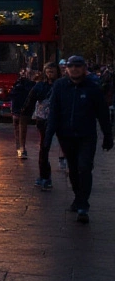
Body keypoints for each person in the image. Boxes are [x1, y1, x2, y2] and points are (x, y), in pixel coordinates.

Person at [47, 55, 114, 223]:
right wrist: (47, 138)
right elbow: (54, 113)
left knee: (84, 167)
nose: (75, 69)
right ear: (66, 69)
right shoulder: (59, 86)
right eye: (71, 66)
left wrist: (108, 135)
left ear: (84, 68)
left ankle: (83, 205)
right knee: (73, 169)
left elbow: (103, 114)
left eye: (78, 66)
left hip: (86, 135)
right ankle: (78, 197)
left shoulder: (92, 88)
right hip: (66, 135)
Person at [25, 62, 60, 189]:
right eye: (48, 71)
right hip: (43, 120)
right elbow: (30, 100)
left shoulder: (61, 85)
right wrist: (24, 113)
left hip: (59, 119)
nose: (50, 73)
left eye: (53, 71)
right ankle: (45, 176)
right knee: (44, 148)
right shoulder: (40, 86)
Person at [9, 69, 35, 159]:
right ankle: (19, 146)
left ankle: (22, 147)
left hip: (23, 107)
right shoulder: (18, 82)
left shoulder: (30, 83)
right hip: (17, 106)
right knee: (17, 126)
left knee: (21, 127)